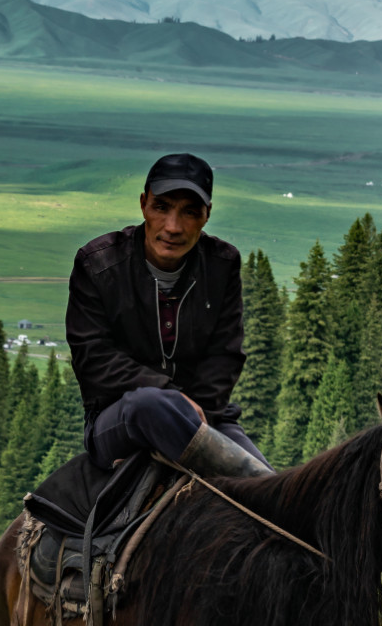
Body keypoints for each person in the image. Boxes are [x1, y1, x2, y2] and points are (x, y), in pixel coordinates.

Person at [64, 151, 270, 479]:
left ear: (207, 215)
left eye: (190, 212)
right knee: (149, 405)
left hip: (208, 418)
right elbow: (93, 358)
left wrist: (197, 411)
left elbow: (225, 355)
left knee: (270, 489)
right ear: (144, 204)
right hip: (119, 419)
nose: (173, 227)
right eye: (162, 207)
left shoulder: (222, 264)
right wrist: (170, 395)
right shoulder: (98, 264)